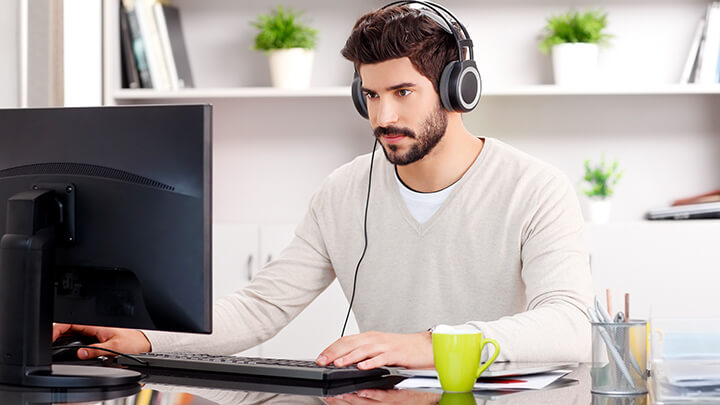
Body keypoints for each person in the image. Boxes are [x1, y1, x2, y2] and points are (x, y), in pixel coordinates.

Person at [53, 2, 594, 368]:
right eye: (371, 95)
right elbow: (260, 308)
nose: (383, 115)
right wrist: (144, 337)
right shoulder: (345, 190)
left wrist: (428, 345)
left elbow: (571, 325)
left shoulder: (534, 188)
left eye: (403, 91)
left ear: (458, 88)